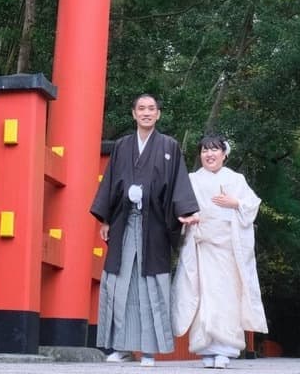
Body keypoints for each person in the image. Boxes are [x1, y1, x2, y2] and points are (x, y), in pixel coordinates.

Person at [91, 94, 200, 367]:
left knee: (150, 285)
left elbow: (179, 183)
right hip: (124, 221)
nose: (146, 113)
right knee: (119, 282)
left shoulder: (169, 146)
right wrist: (104, 220)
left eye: (151, 109)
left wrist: (185, 211)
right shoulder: (122, 146)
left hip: (154, 224)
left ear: (158, 114)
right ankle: (120, 347)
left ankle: (149, 350)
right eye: (141, 108)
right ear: (134, 114)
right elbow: (110, 182)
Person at [171, 135, 267, 369]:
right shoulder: (191, 179)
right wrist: (187, 219)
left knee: (226, 298)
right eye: (205, 150)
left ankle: (225, 349)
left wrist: (236, 203)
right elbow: (179, 207)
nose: (209, 154)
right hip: (201, 247)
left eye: (215, 150)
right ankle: (205, 348)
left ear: (225, 154)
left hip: (227, 250)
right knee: (202, 297)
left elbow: (252, 204)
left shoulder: (236, 179)